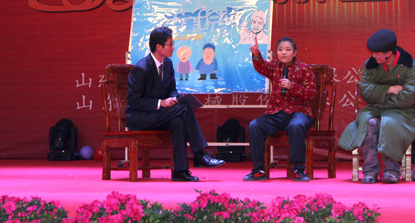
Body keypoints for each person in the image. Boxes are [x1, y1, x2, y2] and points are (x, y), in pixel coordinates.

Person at [125, 27, 225, 182]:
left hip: (160, 114)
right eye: (170, 44)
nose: (173, 47)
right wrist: (160, 102)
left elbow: (171, 89)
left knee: (178, 121)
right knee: (184, 109)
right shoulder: (142, 68)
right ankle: (199, 154)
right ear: (159, 47)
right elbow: (134, 101)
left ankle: (180, 171)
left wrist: (173, 98)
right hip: (140, 117)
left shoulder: (168, 64)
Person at [338, 29, 415, 184]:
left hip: (404, 112)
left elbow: (409, 98)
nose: (373, 56)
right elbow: (366, 92)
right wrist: (390, 89)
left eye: (377, 53)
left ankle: (391, 171)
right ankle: (370, 171)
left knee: (388, 122)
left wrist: (380, 99)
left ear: (388, 54)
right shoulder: (371, 65)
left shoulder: (410, 65)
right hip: (374, 109)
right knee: (369, 122)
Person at [243, 36, 317, 182]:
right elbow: (261, 66)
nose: (283, 52)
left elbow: (311, 94)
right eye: (280, 49)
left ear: (295, 53)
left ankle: (298, 169)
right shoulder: (274, 67)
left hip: (299, 111)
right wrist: (256, 55)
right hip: (276, 112)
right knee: (255, 126)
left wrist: (292, 86)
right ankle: (259, 169)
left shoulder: (305, 69)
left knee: (296, 126)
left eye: (288, 50)